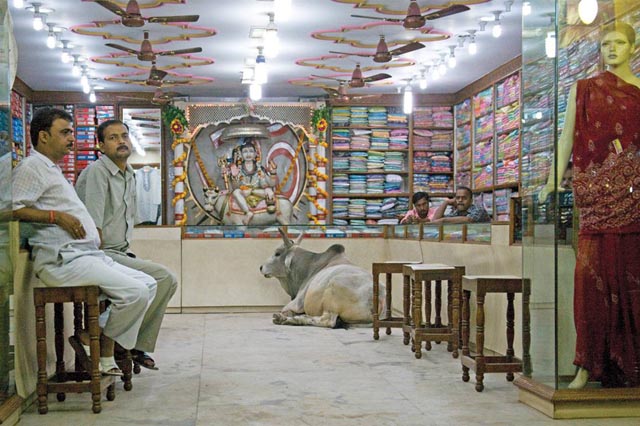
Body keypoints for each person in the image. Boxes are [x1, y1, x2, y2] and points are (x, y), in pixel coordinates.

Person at [12, 108, 157, 376]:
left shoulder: (51, 169)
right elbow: (11, 209)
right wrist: (55, 217)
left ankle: (93, 339)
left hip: (85, 254)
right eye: (65, 132)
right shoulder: (31, 166)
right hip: (62, 259)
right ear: (43, 136)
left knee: (149, 284)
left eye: (72, 132)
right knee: (135, 292)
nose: (71, 139)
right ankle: (100, 347)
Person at [539, 22, 640, 389]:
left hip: (634, 197)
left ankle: (630, 364)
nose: (612, 49)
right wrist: (552, 180)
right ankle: (587, 364)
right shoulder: (583, 89)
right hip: (596, 198)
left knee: (632, 280)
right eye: (607, 44)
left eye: (619, 43)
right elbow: (567, 135)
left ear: (633, 46)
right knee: (589, 281)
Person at [76, 119, 178, 370]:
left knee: (168, 280)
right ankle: (109, 336)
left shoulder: (129, 174)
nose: (121, 141)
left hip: (120, 252)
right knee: (161, 278)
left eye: (124, 136)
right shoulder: (97, 172)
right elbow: (93, 230)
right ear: (100, 146)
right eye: (112, 137)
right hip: (98, 254)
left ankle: (131, 343)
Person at [226, 138, 278, 225]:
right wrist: (234, 176)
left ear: (255, 154)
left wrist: (273, 173)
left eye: (251, 151)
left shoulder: (259, 168)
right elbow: (235, 187)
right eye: (245, 152)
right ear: (241, 155)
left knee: (270, 192)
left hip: (257, 191)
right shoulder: (239, 169)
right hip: (244, 192)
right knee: (236, 192)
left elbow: (271, 183)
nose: (248, 154)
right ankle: (247, 212)